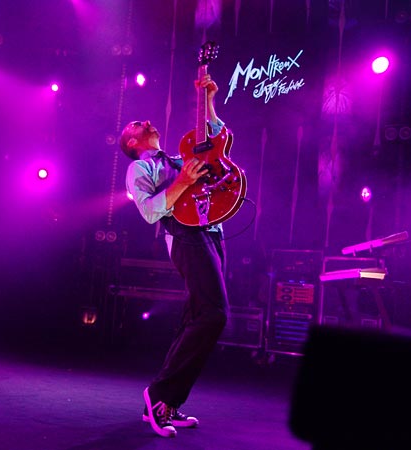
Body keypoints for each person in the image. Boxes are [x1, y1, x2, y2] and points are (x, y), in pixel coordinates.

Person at [119, 74, 229, 438]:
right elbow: (150, 212)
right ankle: (159, 394)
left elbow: (217, 140)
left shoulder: (179, 158)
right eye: (139, 124)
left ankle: (167, 403)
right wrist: (182, 182)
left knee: (197, 317)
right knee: (213, 314)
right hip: (186, 237)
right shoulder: (140, 168)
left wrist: (208, 100)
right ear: (132, 141)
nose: (148, 122)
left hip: (211, 232)